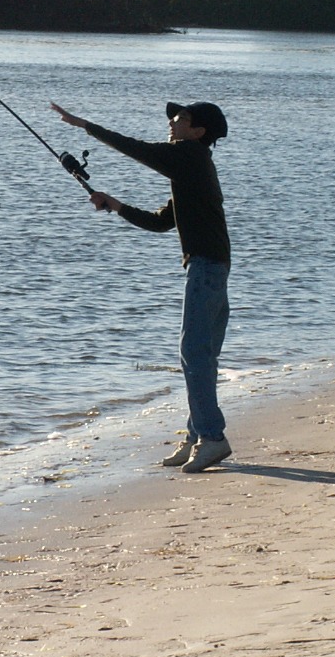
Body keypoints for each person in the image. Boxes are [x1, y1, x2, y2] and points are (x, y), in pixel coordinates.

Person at [49, 99, 233, 473]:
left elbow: (136, 149)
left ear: (197, 132)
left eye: (180, 119)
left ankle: (212, 438)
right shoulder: (191, 168)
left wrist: (85, 124)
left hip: (206, 268)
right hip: (212, 266)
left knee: (194, 354)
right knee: (200, 355)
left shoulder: (188, 156)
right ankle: (199, 434)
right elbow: (162, 222)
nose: (171, 122)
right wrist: (114, 204)